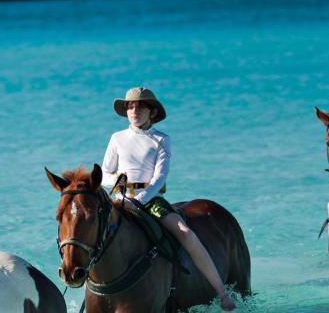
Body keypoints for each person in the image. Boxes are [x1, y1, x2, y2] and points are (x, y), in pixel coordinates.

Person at [101, 87, 237, 311]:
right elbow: (105, 173)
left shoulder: (161, 139)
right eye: (130, 106)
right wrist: (118, 182)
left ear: (152, 112)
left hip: (151, 198)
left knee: (185, 233)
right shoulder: (116, 138)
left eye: (141, 105)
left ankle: (221, 292)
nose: (134, 110)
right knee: (92, 234)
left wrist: (142, 198)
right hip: (119, 197)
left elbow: (159, 177)